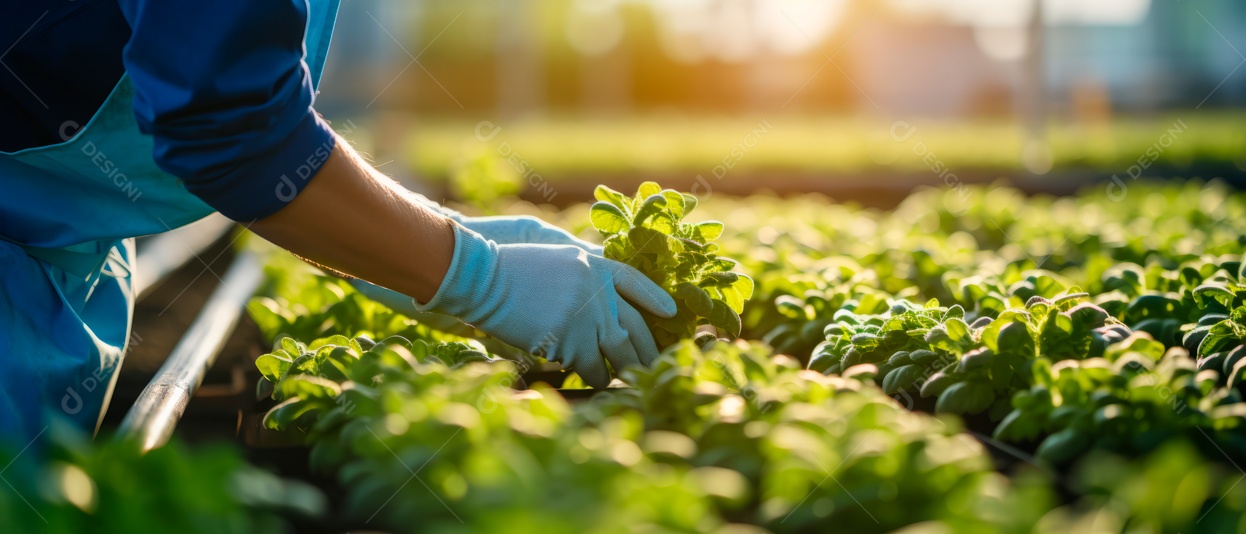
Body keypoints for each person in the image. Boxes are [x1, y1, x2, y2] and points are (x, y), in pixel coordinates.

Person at [0, 1, 674, 441]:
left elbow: (239, 107)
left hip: (52, 242)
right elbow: (225, 127)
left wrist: (413, 239)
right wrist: (474, 275)